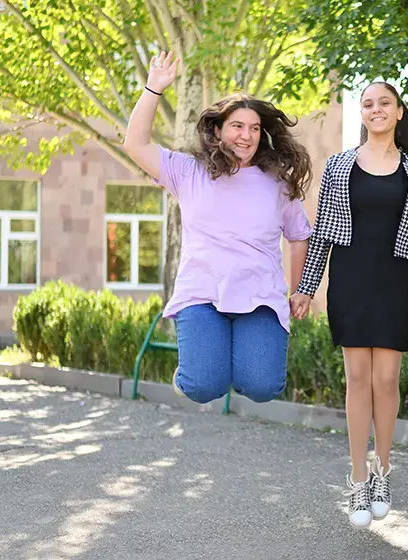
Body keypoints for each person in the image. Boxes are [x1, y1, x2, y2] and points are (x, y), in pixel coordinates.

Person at [290, 82, 408, 528]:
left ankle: (384, 472)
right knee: (357, 378)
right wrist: (307, 288)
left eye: (384, 102)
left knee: (386, 380)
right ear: (361, 114)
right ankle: (358, 478)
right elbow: (324, 229)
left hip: (393, 282)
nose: (376, 109)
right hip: (349, 281)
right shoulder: (339, 166)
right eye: (368, 104)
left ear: (399, 112)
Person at [123, 51, 314, 406]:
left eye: (255, 128)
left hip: (260, 297)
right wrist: (153, 89)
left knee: (262, 387)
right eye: (238, 126)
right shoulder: (188, 171)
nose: (247, 136)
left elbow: (300, 234)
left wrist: (301, 290)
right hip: (202, 294)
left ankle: (233, 368)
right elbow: (135, 144)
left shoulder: (276, 182)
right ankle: (196, 373)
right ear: (217, 130)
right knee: (202, 386)